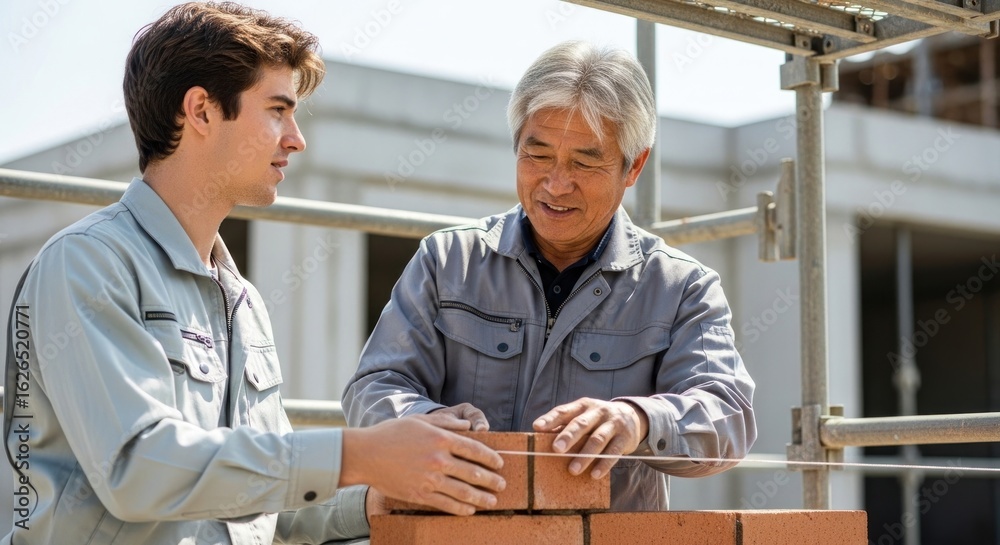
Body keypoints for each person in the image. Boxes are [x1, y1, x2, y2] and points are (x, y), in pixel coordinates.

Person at [2, 3, 506, 544]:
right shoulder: (87, 264)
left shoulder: (240, 299)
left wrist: (404, 481)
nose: (296, 138)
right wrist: (361, 452)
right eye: (276, 110)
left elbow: (273, 502)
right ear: (200, 111)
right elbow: (139, 468)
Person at [343, 41, 757, 511]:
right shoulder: (447, 261)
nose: (556, 184)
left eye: (584, 161)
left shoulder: (681, 287)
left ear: (634, 166)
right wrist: (427, 423)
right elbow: (374, 387)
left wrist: (638, 419)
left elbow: (729, 418)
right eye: (537, 155)